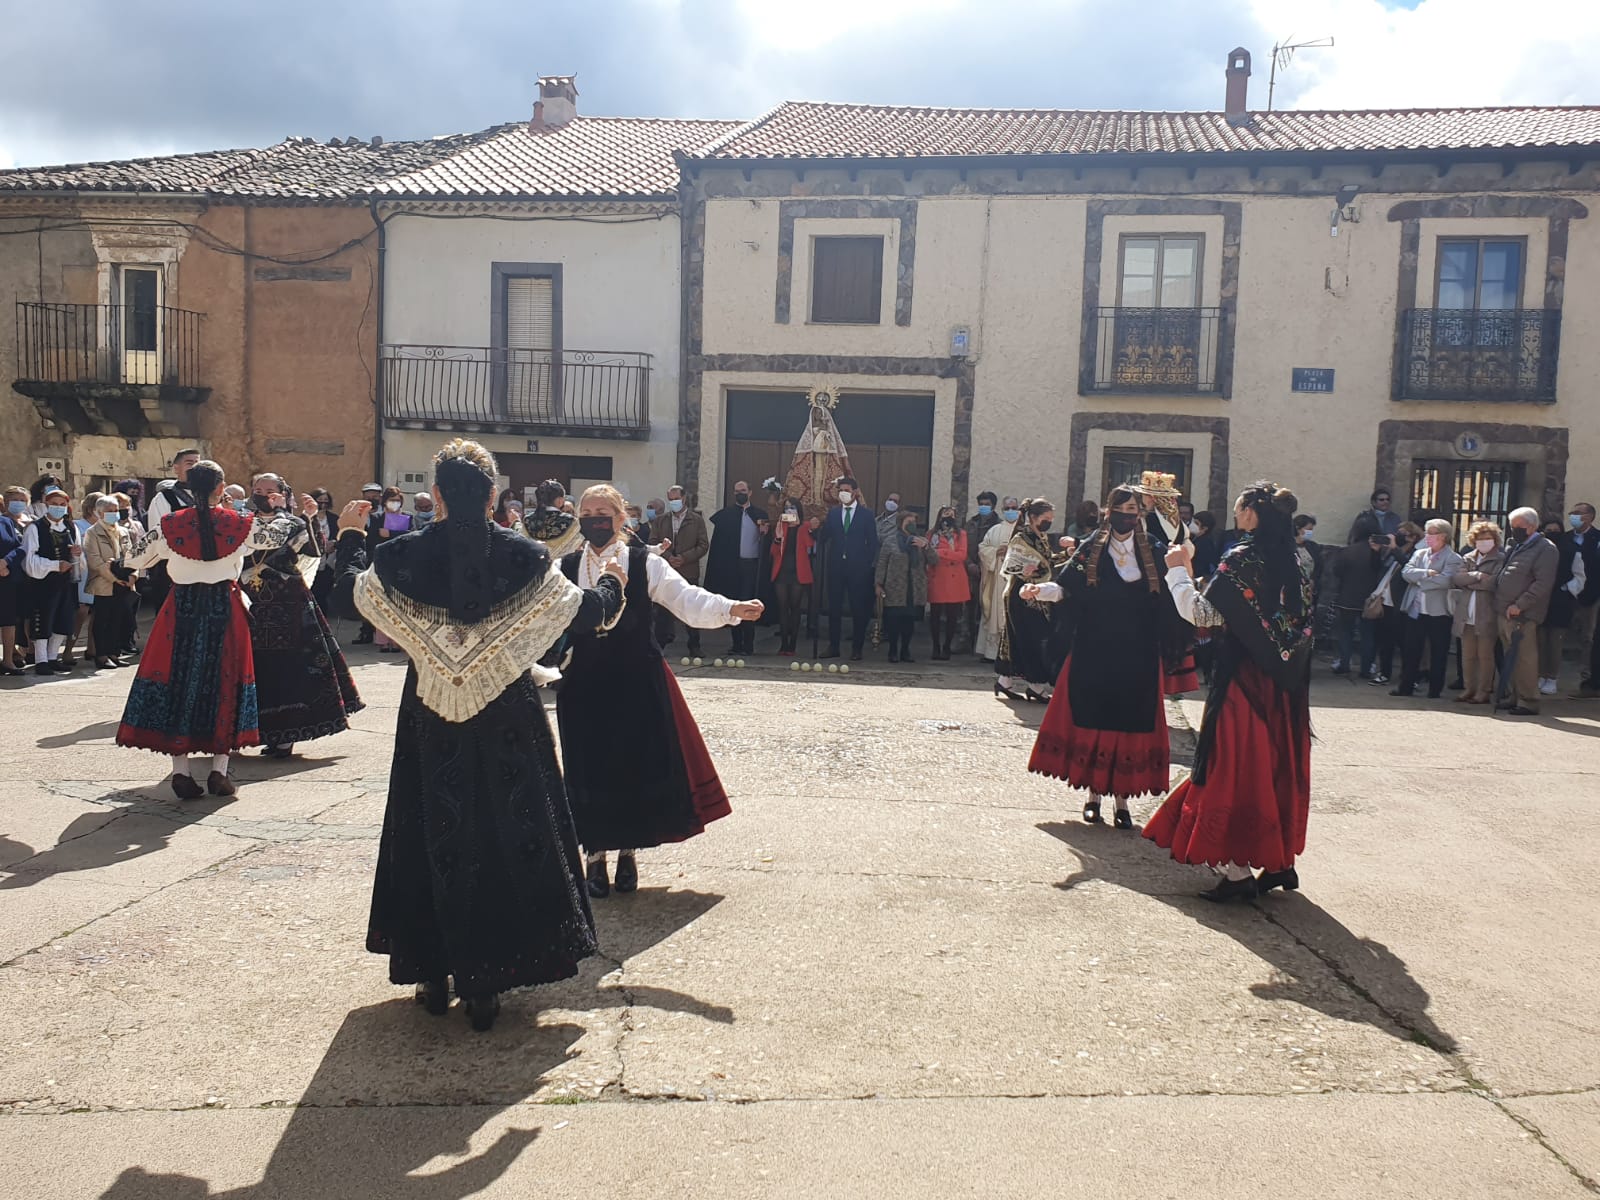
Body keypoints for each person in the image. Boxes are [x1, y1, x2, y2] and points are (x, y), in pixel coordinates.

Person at [328, 440, 627, 1032]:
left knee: (428, 824)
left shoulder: (402, 555)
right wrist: (614, 578)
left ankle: (433, 975)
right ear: (493, 496)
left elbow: (345, 595)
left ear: (436, 495)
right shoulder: (525, 555)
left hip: (428, 714)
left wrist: (349, 536)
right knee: (504, 826)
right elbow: (589, 613)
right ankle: (489, 979)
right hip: (506, 715)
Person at [558, 484, 762, 899]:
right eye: (587, 511)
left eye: (603, 512)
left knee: (634, 763)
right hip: (584, 681)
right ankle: (594, 856)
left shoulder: (643, 562)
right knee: (588, 764)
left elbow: (685, 598)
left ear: (621, 519)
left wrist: (730, 609)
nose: (594, 518)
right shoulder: (564, 567)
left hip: (636, 677)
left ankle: (628, 853)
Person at [1144, 482, 1313, 902]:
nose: (1236, 516)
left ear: (1252, 514)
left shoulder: (1240, 558)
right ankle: (1277, 862)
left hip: (1243, 682)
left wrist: (1178, 570)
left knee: (1234, 769)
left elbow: (1203, 613)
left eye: (1239, 509)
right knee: (1273, 764)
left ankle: (1237, 873)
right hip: (1285, 684)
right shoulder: (1298, 558)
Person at [1023, 485, 1193, 828]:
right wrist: (1040, 590)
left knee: (1128, 725)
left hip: (1138, 652)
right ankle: (1093, 797)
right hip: (1095, 649)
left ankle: (1122, 802)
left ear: (1140, 515)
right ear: (1109, 512)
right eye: (1123, 508)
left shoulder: (1154, 550)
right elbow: (1066, 587)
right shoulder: (1091, 550)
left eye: (1134, 509)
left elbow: (1179, 570)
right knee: (1094, 721)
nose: (1128, 515)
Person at [115, 461, 287, 798]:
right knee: (226, 680)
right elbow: (278, 536)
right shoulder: (241, 523)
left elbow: (134, 558)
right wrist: (276, 509)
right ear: (221, 488)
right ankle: (219, 772)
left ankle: (180, 771)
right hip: (225, 607)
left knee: (177, 680)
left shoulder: (168, 524)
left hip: (182, 608)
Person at [242, 473, 363, 757]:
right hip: (250, 601)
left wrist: (304, 518)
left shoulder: (293, 523)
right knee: (253, 666)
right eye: (258, 490)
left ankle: (285, 737)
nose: (263, 494)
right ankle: (255, 731)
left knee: (289, 666)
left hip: (288, 601)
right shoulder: (241, 522)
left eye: (270, 490)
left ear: (283, 494)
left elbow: (312, 550)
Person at [995, 499, 1071, 702]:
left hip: (1035, 592)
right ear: (1033, 518)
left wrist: (1067, 555)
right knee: (1030, 637)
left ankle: (1005, 681)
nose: (1049, 522)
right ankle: (1035, 685)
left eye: (1050, 519)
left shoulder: (1041, 537)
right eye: (1046, 519)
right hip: (1020, 594)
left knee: (1020, 637)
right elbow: (1010, 566)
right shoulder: (1021, 538)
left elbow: (1047, 561)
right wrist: (1026, 569)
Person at [1494, 507, 1558, 715]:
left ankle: (1528, 700)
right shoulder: (1518, 546)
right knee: (1510, 657)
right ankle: (1515, 695)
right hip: (1505, 611)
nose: (1513, 531)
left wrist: (1520, 604)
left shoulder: (1545, 549)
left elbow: (1542, 583)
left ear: (1531, 526)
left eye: (1518, 527)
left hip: (1522, 613)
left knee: (1524, 658)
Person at [1391, 518, 1464, 699]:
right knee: (1411, 649)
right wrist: (1426, 574)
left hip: (1439, 611)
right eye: (1427, 532)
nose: (1428, 537)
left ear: (1444, 536)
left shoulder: (1453, 558)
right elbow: (1406, 573)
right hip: (1416, 609)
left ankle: (1435, 689)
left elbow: (1446, 580)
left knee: (1439, 651)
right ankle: (1406, 686)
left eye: (1432, 533)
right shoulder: (1420, 554)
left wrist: (1420, 581)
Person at [21, 484, 83, 676]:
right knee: (43, 620)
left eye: (62, 504)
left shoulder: (71, 527)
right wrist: (55, 565)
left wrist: (76, 555)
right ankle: (40, 660)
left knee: (63, 619)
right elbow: (28, 560)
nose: (58, 507)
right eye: (54, 503)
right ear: (47, 504)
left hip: (65, 582)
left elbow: (79, 556)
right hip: (43, 582)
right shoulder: (35, 528)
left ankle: (52, 657)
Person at [814, 475, 878, 662]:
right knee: (834, 607)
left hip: (858, 569)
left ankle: (856, 648)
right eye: (841, 490)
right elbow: (825, 536)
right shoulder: (834, 513)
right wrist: (815, 528)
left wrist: (868, 564)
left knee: (858, 608)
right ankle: (833, 646)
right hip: (836, 567)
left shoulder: (866, 515)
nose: (844, 493)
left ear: (855, 492)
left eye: (847, 490)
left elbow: (873, 542)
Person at [706, 480, 768, 656]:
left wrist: (765, 532)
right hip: (731, 566)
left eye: (743, 490)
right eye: (736, 491)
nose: (739, 493)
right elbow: (718, 545)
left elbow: (767, 541)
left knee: (748, 602)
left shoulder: (759, 515)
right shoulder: (725, 516)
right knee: (733, 603)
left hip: (751, 566)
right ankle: (736, 644)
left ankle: (748, 645)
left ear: (750, 492)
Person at [650, 484, 711, 657]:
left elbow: (703, 545)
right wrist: (668, 556)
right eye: (670, 499)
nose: (673, 502)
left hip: (688, 570)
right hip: (666, 570)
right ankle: (659, 646)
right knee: (663, 610)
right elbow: (654, 541)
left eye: (676, 499)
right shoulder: (661, 520)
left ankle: (694, 645)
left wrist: (684, 558)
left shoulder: (696, 520)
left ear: (684, 498)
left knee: (691, 606)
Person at [1450, 521, 1505, 705]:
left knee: (1485, 655)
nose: (1484, 542)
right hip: (1466, 614)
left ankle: (1484, 690)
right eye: (1480, 539)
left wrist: (1470, 580)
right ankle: (1469, 688)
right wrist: (1478, 576)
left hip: (1486, 614)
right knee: (1468, 655)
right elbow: (1457, 578)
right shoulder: (1468, 557)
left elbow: (1493, 583)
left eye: (1488, 538)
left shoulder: (1500, 559)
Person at [1325, 523, 1389, 678]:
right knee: (1368, 635)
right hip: (1370, 599)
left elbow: (1337, 571)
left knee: (1345, 632)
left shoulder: (1347, 551)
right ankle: (1366, 668)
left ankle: (1344, 663)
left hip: (1347, 598)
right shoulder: (1378, 551)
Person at [875, 508, 935, 663]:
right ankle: (893, 650)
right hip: (895, 587)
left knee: (909, 622)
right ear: (901, 523)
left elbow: (935, 561)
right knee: (894, 621)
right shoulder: (891, 541)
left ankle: (905, 650)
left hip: (914, 588)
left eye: (914, 522)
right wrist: (878, 584)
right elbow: (882, 563)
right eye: (909, 522)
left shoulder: (921, 541)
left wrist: (926, 547)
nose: (912, 525)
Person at [1543, 509, 1592, 695]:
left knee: (1555, 641)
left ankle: (1552, 677)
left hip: (1561, 602)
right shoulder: (1540, 549)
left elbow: (1580, 577)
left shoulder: (1571, 550)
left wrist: (1566, 590)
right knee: (1540, 640)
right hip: (1541, 600)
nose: (1553, 532)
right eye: (1549, 529)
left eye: (1556, 529)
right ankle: (1541, 674)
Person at [83, 496, 135, 670]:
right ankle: (101, 655)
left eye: (115, 510)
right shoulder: (92, 532)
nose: (114, 514)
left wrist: (133, 576)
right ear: (99, 513)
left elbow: (133, 556)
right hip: (104, 583)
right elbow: (95, 562)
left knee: (118, 619)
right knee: (103, 620)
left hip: (124, 583)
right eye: (109, 511)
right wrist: (114, 578)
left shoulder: (123, 531)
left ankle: (115, 653)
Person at [1370, 524, 1420, 685]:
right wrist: (1376, 551)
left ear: (1413, 537)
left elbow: (1407, 568)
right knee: (1385, 641)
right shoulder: (1391, 552)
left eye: (1403, 534)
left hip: (1402, 603)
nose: (1398, 536)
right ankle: (1384, 673)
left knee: (1404, 643)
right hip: (1386, 601)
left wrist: (1394, 548)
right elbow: (1377, 569)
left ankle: (1409, 677)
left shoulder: (1416, 554)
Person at [767, 496, 814, 656]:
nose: (789, 511)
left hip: (798, 571)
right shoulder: (782, 526)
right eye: (786, 508)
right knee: (782, 607)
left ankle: (792, 644)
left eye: (792, 508)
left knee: (795, 607)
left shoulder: (804, 526)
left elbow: (810, 545)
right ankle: (783, 644)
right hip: (782, 571)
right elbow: (773, 552)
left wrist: (801, 525)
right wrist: (778, 537)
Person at [977, 497, 1020, 661]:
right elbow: (982, 548)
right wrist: (996, 552)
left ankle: (1013, 653)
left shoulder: (1025, 532)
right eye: (1007, 508)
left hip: (1016, 580)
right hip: (996, 580)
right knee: (994, 611)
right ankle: (991, 652)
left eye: (1013, 507)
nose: (1010, 510)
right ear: (1002, 510)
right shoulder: (994, 530)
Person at [926, 506, 970, 661]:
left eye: (951, 515)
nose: (948, 517)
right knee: (935, 615)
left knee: (952, 615)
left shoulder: (961, 534)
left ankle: (947, 647)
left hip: (954, 578)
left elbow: (961, 555)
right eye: (945, 514)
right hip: (937, 576)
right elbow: (928, 554)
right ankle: (936, 646)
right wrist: (945, 554)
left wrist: (940, 553)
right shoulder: (931, 534)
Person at [1564, 502, 1599, 685]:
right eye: (1572, 512)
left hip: (1590, 596)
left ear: (1590, 517)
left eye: (1578, 513)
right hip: (1566, 594)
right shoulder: (1565, 538)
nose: (1573, 516)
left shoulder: (1597, 538)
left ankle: (1586, 675)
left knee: (1588, 636)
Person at [964, 491, 1000, 653]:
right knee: (968, 606)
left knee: (986, 606)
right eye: (981, 504)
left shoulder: (999, 526)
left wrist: (984, 565)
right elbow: (962, 546)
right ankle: (965, 639)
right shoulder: (970, 524)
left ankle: (985, 644)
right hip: (970, 570)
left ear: (993, 505)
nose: (983, 507)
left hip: (990, 571)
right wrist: (969, 564)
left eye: (987, 504)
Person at [0, 488, 27, 675]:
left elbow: (20, 548)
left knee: (8, 620)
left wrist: (4, 562)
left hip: (7, 578)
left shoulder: (6, 522)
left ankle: (8, 661)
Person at [524, 479, 582, 558]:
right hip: (560, 568)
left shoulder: (527, 520)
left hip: (532, 567)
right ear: (560, 501)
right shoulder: (572, 522)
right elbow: (574, 547)